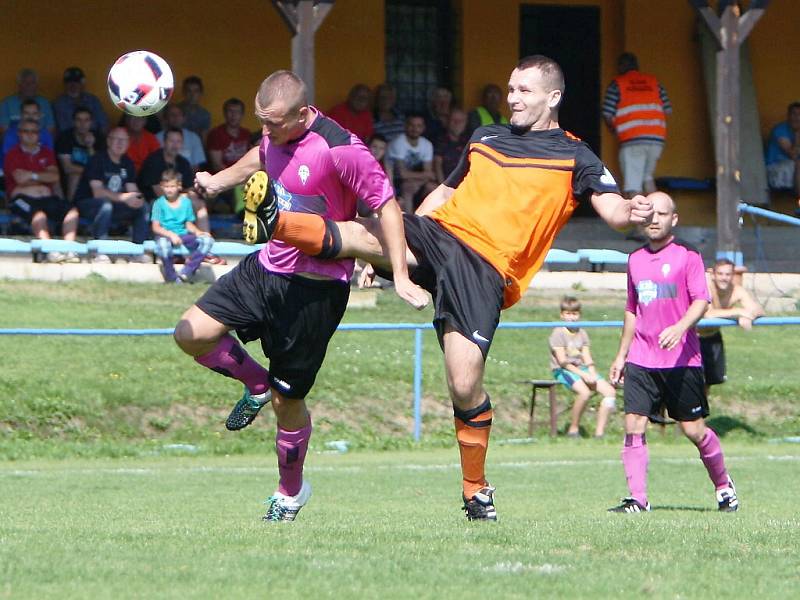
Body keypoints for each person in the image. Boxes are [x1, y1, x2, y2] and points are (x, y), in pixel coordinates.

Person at [241, 55, 654, 521]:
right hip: (440, 236)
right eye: (511, 88)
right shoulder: (485, 137)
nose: (512, 97)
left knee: (463, 384)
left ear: (553, 97)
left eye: (523, 91)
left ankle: (475, 489)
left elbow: (614, 211)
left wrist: (632, 211)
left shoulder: (576, 154)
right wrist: (392, 249)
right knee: (359, 230)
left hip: (484, 269)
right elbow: (445, 194)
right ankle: (277, 220)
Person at [174, 70, 424, 522]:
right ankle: (254, 381)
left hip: (315, 290)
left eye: (274, 123)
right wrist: (217, 181)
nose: (265, 131)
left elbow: (386, 205)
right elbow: (259, 155)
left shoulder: (341, 149)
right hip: (266, 268)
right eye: (261, 121)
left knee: (286, 401)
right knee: (191, 333)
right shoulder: (273, 134)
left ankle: (291, 492)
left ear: (304, 113)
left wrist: (399, 274)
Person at [608, 191, 738, 514]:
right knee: (634, 425)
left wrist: (680, 328)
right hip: (641, 357)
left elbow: (701, 301)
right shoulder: (634, 259)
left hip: (682, 359)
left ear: (674, 219)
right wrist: (621, 355)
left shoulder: (688, 255)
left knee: (693, 429)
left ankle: (724, 487)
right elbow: (631, 310)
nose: (654, 220)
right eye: (649, 215)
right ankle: (638, 500)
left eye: (661, 214)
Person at [4, 117, 79, 262]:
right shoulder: (12, 154)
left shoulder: (46, 152)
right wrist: (43, 177)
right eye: (26, 131)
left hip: (46, 198)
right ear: (19, 133)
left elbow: (55, 176)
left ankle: (69, 250)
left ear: (39, 134)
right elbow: (20, 180)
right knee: (39, 215)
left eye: (34, 131)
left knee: (72, 211)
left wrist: (31, 175)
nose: (30, 134)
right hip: (20, 199)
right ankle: (49, 251)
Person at [73, 127, 149, 262]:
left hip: (115, 205)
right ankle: (100, 251)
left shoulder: (127, 162)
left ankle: (137, 251)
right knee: (106, 205)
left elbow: (133, 190)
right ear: (108, 141)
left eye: (124, 140)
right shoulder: (97, 159)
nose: (120, 143)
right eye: (117, 139)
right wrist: (125, 197)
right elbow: (98, 192)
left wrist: (138, 199)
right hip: (88, 203)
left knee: (143, 207)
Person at [602, 52, 672, 197]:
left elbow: (607, 113)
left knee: (633, 185)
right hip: (657, 139)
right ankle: (657, 214)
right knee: (647, 177)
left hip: (633, 140)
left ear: (621, 66)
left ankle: (638, 218)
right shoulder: (654, 83)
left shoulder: (618, 84)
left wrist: (615, 130)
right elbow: (667, 110)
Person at [548, 296, 617, 439]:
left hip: (582, 369)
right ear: (562, 315)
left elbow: (587, 357)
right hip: (564, 370)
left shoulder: (582, 332)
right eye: (568, 314)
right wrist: (583, 375)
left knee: (610, 392)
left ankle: (599, 433)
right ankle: (573, 429)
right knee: (584, 393)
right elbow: (562, 361)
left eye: (574, 314)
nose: (571, 318)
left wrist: (591, 373)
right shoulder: (558, 333)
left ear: (579, 315)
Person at [698, 258, 764, 394]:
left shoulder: (736, 290)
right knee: (688, 381)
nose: (724, 278)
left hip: (713, 337)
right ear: (713, 275)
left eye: (728, 274)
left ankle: (701, 414)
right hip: (692, 338)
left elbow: (758, 309)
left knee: (709, 382)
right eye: (720, 274)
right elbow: (708, 314)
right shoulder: (705, 287)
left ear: (733, 276)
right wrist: (739, 311)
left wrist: (747, 315)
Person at [151, 169, 214, 283]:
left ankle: (187, 271)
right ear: (162, 186)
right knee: (163, 245)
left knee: (207, 241)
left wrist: (198, 232)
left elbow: (188, 224)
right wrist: (171, 235)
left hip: (183, 235)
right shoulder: (159, 203)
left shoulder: (186, 202)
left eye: (172, 186)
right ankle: (171, 277)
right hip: (166, 235)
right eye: (166, 187)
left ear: (179, 186)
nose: (169, 190)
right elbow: (156, 227)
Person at [206, 98, 251, 213]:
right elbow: (217, 165)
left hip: (243, 180)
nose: (233, 115)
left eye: (237, 112)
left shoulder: (246, 134)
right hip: (223, 180)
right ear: (224, 113)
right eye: (230, 111)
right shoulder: (216, 134)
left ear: (242, 115)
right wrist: (235, 179)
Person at [386, 114, 437, 213]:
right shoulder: (399, 142)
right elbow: (402, 174)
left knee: (433, 188)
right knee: (408, 187)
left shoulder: (427, 144)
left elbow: (429, 174)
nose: (415, 129)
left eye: (419, 126)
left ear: (423, 128)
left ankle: (431, 224)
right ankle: (409, 223)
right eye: (412, 125)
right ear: (405, 126)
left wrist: (420, 178)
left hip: (416, 181)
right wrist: (424, 175)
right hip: (394, 182)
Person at [55, 106, 104, 201]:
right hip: (68, 179)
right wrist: (91, 171)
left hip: (93, 178)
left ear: (91, 122)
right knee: (75, 176)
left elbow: (99, 166)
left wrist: (90, 146)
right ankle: (70, 208)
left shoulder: (99, 138)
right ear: (73, 122)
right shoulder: (64, 138)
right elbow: (67, 168)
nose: (83, 124)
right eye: (79, 120)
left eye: (86, 120)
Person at [764, 102, 800, 209]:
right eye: (794, 114)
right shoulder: (780, 130)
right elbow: (793, 154)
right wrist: (798, 134)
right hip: (775, 169)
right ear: (788, 115)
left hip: (790, 167)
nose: (797, 118)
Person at [52, 66, 109, 134]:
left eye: (76, 82)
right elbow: (60, 129)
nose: (73, 85)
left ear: (83, 83)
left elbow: (103, 125)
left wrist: (99, 141)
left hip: (94, 139)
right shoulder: (59, 104)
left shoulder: (93, 100)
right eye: (69, 82)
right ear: (65, 84)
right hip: (68, 141)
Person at [0, 68, 55, 134]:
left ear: (37, 85)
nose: (29, 86)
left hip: (41, 142)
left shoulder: (45, 103)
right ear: (19, 85)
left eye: (32, 83)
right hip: (14, 142)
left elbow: (51, 131)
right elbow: (4, 133)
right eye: (25, 82)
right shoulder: (6, 104)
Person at [156, 104, 206, 171]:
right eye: (172, 114)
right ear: (166, 118)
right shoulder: (157, 137)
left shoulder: (194, 137)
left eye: (179, 114)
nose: (175, 117)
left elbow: (196, 167)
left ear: (184, 118)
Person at [433, 107, 469, 183]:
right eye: (454, 120)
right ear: (447, 121)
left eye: (461, 121)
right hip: (445, 183)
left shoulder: (469, 141)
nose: (457, 123)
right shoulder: (439, 140)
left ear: (465, 123)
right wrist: (443, 187)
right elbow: (437, 165)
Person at [177, 76, 212, 140]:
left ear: (200, 93)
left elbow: (204, 139)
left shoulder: (205, 115)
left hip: (195, 148)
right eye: (189, 91)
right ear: (183, 92)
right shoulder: (174, 111)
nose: (192, 95)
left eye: (196, 91)